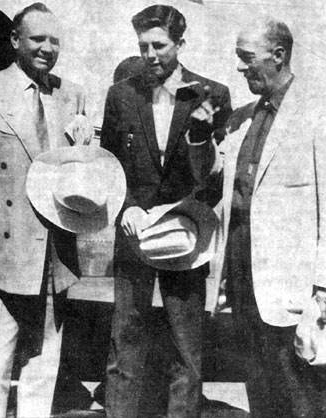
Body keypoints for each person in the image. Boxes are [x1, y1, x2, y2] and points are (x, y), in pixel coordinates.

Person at [0, 3, 87, 417]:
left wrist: (85, 153)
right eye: (37, 39)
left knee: (42, 373)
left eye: (55, 41)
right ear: (14, 41)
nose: (47, 49)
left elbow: (80, 182)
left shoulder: (73, 95)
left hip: (54, 259)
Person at [189, 17, 326, 418]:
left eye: (247, 58)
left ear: (278, 55)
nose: (239, 68)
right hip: (243, 280)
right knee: (261, 392)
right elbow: (212, 181)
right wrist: (199, 137)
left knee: (302, 397)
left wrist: (322, 288)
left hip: (293, 289)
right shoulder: (241, 118)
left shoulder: (317, 113)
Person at [100, 5, 232, 418]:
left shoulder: (212, 94)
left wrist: (185, 213)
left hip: (185, 234)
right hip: (133, 232)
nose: (151, 55)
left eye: (160, 45)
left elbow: (214, 176)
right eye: (143, 47)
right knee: (125, 345)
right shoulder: (122, 94)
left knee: (186, 349)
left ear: (180, 43)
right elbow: (108, 165)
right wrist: (127, 207)